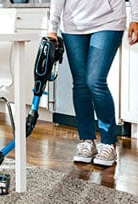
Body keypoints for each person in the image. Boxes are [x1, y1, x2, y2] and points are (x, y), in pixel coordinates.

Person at [48, 0, 138, 166]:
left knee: (95, 81)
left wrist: (136, 17)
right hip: (73, 24)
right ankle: (87, 140)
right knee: (81, 83)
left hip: (109, 20)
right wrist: (52, 28)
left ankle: (109, 142)